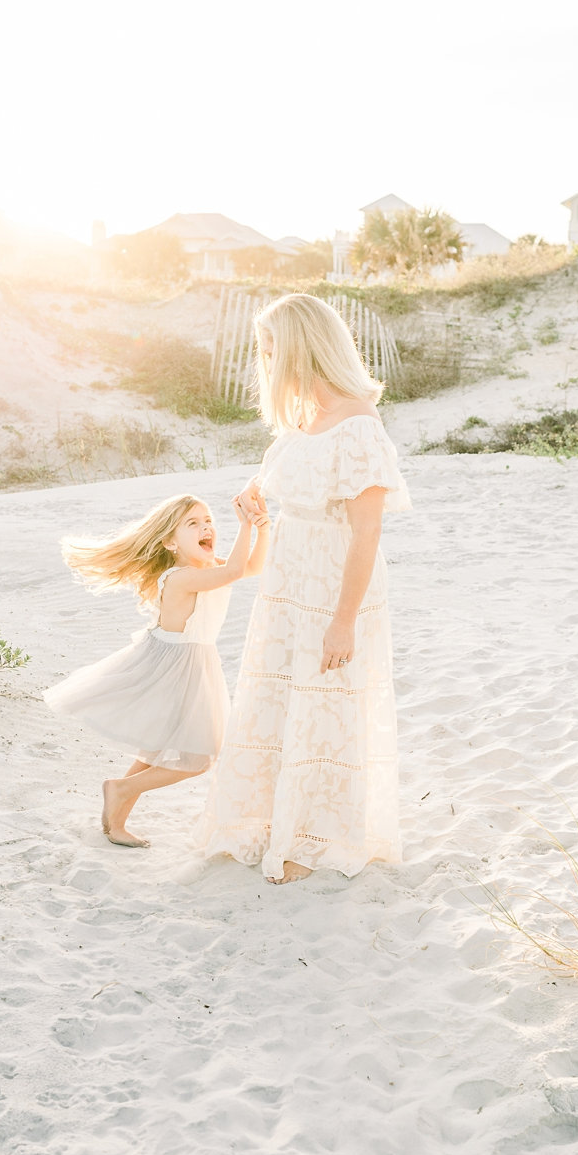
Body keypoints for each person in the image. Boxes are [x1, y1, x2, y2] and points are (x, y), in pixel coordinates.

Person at [196, 293, 410, 884]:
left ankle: (312, 837)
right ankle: (274, 821)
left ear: (301, 348)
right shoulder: (300, 418)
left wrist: (343, 620)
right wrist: (252, 495)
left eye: (271, 349)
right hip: (288, 581)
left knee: (326, 705)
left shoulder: (360, 424)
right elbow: (279, 472)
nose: (265, 361)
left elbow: (366, 535)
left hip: (336, 584)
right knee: (281, 700)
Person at [44, 493, 269, 846]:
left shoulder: (208, 569)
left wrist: (261, 527)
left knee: (154, 753)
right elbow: (237, 571)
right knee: (198, 759)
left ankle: (116, 822)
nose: (206, 527)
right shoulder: (180, 577)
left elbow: (252, 567)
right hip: (174, 665)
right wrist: (245, 525)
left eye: (208, 520)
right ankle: (120, 789)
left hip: (195, 663)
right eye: (192, 523)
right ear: (169, 541)